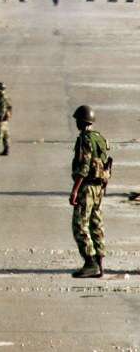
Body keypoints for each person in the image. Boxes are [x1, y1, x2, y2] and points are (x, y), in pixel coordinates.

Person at [69, 105, 112, 278]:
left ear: (82, 121)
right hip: (99, 187)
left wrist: (75, 190)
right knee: (96, 223)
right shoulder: (100, 138)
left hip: (87, 187)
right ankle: (100, 262)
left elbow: (84, 167)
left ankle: (90, 262)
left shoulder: (84, 139)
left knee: (79, 224)